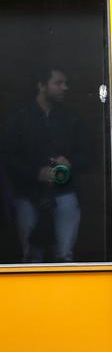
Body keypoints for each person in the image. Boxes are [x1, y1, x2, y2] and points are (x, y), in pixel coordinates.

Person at [0, 67, 87, 263]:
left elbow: (90, 155)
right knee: (30, 257)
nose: (65, 87)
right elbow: (6, 157)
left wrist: (70, 162)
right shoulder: (18, 119)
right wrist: (36, 173)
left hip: (64, 193)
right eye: (58, 83)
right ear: (41, 86)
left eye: (66, 83)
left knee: (65, 256)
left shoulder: (71, 119)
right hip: (27, 195)